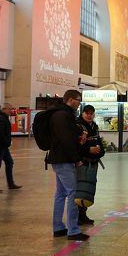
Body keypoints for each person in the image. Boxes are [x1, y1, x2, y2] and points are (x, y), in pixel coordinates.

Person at [47, 89, 89, 241]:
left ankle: (58, 227)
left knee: (60, 194)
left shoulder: (62, 114)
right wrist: (76, 157)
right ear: (71, 100)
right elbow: (66, 140)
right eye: (78, 100)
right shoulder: (63, 115)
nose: (79, 104)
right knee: (73, 193)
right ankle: (73, 230)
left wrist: (79, 138)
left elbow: (67, 137)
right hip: (64, 160)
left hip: (59, 159)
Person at [75, 104, 105, 225]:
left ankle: (83, 215)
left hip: (93, 163)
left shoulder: (94, 126)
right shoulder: (78, 126)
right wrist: (89, 150)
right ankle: (77, 216)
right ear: (82, 113)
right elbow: (75, 145)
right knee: (80, 190)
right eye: (87, 113)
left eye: (91, 113)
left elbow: (98, 141)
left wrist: (101, 151)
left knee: (88, 189)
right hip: (82, 162)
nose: (89, 115)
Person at [0, 103, 22, 192]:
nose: (11, 111)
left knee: (9, 162)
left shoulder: (2, 118)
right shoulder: (0, 119)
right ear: (4, 109)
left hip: (3, 146)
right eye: (9, 109)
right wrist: (6, 142)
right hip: (0, 146)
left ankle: (11, 184)